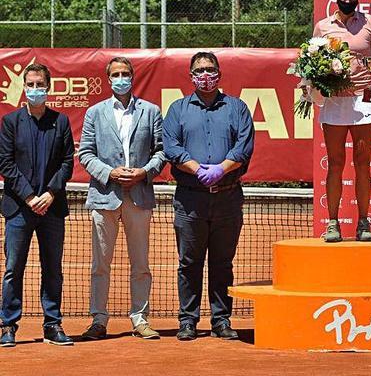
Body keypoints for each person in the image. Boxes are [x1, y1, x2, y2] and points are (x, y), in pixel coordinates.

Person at [163, 52, 254, 341]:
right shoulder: (178, 109)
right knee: (189, 263)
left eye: (210, 69)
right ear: (190, 75)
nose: (205, 75)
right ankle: (188, 320)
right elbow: (172, 147)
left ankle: (221, 320)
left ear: (220, 73)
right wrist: (197, 169)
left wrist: (220, 169)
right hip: (190, 198)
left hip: (227, 197)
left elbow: (244, 146)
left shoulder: (237, 108)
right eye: (199, 70)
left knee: (222, 263)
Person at [78, 57, 166, 341]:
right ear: (108, 79)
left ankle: (140, 319)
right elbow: (86, 153)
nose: (121, 78)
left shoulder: (151, 111)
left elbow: (161, 152)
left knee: (140, 264)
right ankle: (99, 320)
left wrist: (144, 172)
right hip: (105, 197)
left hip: (139, 196)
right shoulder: (95, 113)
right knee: (100, 264)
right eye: (115, 74)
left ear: (132, 76)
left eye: (125, 73)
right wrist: (110, 172)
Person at [0, 63, 75, 347]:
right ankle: (8, 325)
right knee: (13, 268)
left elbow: (68, 162)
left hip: (52, 209)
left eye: (39, 84)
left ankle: (52, 325)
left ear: (48, 86)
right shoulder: (10, 122)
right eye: (30, 84)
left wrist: (51, 193)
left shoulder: (62, 121)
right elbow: (5, 163)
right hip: (19, 208)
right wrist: (31, 197)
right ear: (24, 87)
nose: (35, 89)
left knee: (53, 269)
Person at [312, 0, 371, 243]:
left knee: (363, 163)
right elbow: (313, 62)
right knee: (336, 164)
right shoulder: (322, 26)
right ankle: (333, 223)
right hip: (335, 101)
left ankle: (364, 222)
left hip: (364, 98)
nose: (348, 0)